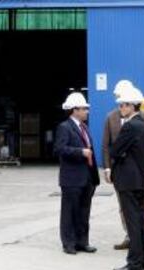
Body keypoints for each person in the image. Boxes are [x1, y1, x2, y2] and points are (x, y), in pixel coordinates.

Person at [102, 80, 144, 250]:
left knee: (141, 205)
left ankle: (142, 235)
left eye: (122, 100)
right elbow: (106, 144)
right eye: (118, 99)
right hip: (119, 171)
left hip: (138, 169)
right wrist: (108, 168)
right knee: (122, 205)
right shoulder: (111, 117)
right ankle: (130, 235)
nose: (119, 103)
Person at [54, 92, 100, 255]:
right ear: (75, 110)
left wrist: (94, 178)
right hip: (72, 178)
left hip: (87, 177)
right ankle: (68, 243)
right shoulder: (64, 127)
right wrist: (80, 152)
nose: (87, 111)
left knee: (84, 211)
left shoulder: (85, 127)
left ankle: (82, 241)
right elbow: (59, 149)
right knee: (69, 211)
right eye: (84, 109)